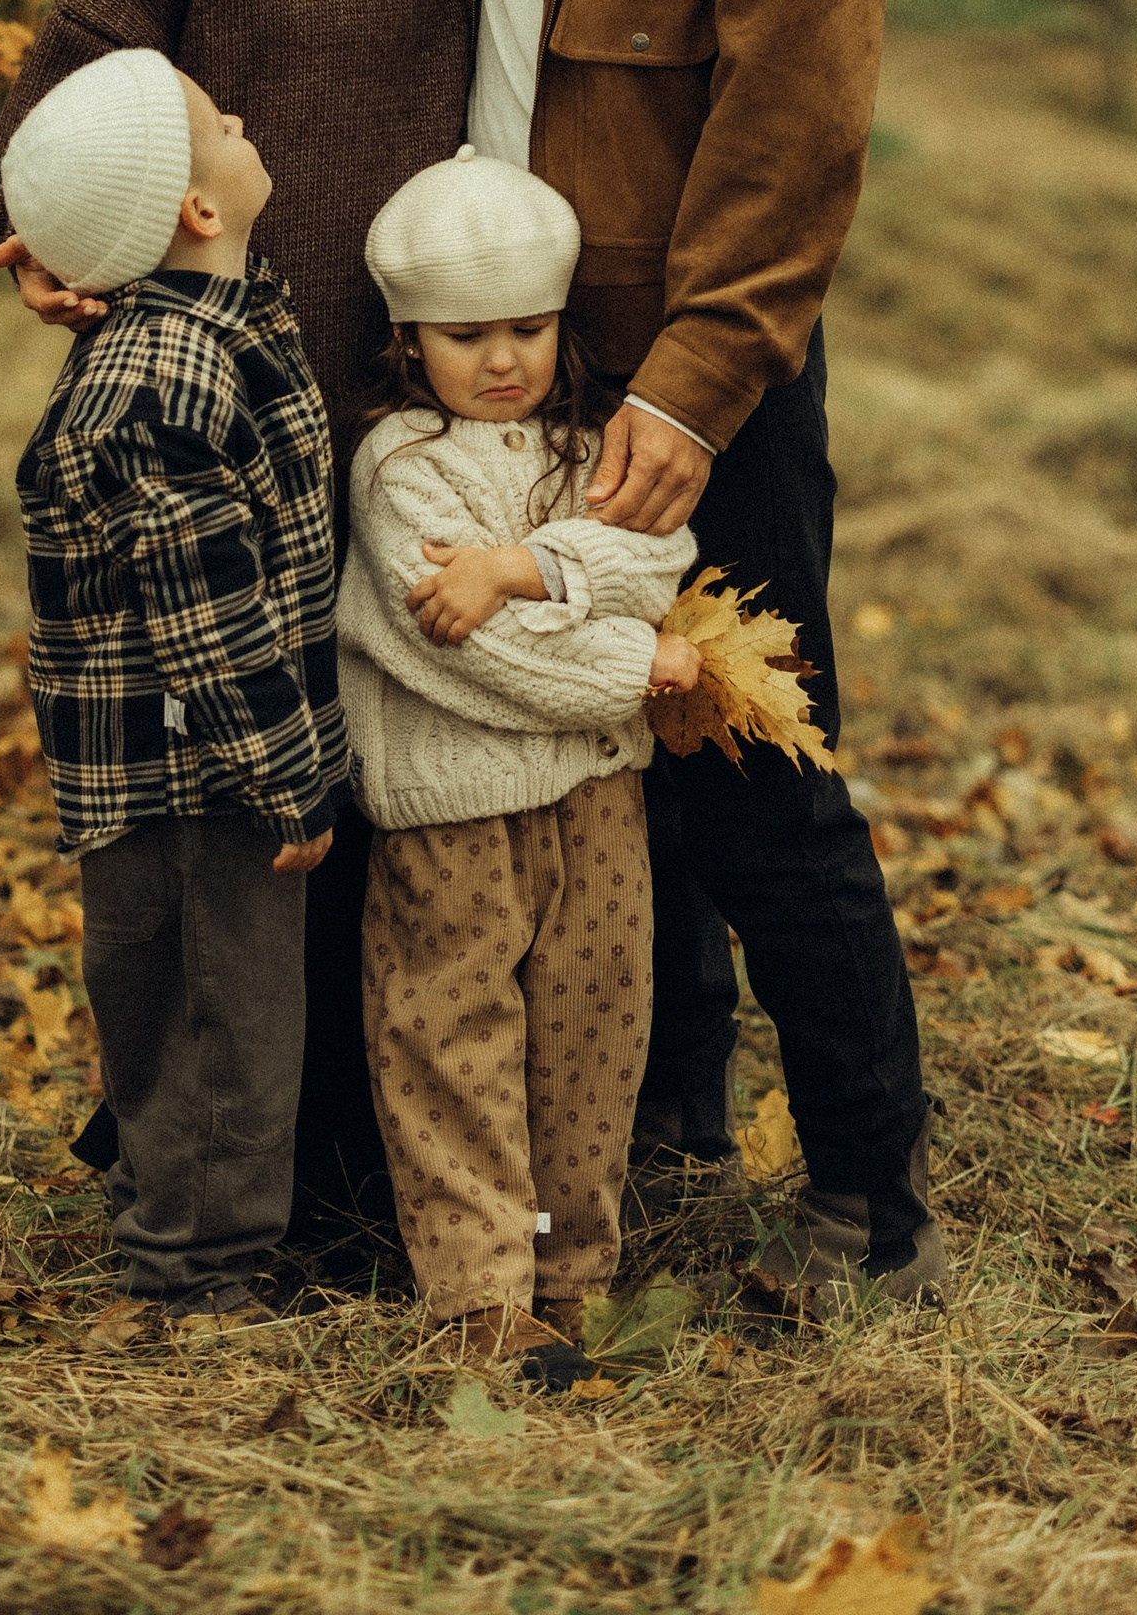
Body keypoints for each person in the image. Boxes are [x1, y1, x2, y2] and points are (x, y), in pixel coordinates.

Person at [424, 0, 946, 1305]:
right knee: (561, 758)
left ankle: (865, 1206)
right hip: (494, 345)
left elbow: (798, 103)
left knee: (742, 765)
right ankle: (651, 1123)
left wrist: (696, 383)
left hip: (684, 360)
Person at [0, 0, 488, 1238]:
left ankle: (381, 1159)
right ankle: (234, 1167)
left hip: (421, 403)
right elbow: (71, 67)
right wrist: (44, 236)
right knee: (260, 803)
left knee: (414, 781)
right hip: (246, 400)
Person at [340, 147, 703, 1369]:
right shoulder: (401, 468)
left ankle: (565, 1265)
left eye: (527, 328)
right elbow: (472, 650)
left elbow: (657, 558)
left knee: (592, 1026)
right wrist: (627, 667)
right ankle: (477, 1292)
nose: (502, 360)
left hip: (598, 801)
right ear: (408, 342)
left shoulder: (584, 442)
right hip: (455, 809)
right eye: (465, 336)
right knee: (454, 1036)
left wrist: (529, 567)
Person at [2, 46, 342, 1315]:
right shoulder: (158, 386)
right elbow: (208, 621)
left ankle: (195, 1234)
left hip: (207, 765)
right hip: (191, 780)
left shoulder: (212, 321)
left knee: (214, 1011)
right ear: (198, 210)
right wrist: (286, 784)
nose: (243, 112)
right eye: (219, 121)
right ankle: (191, 1275)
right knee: (217, 1023)